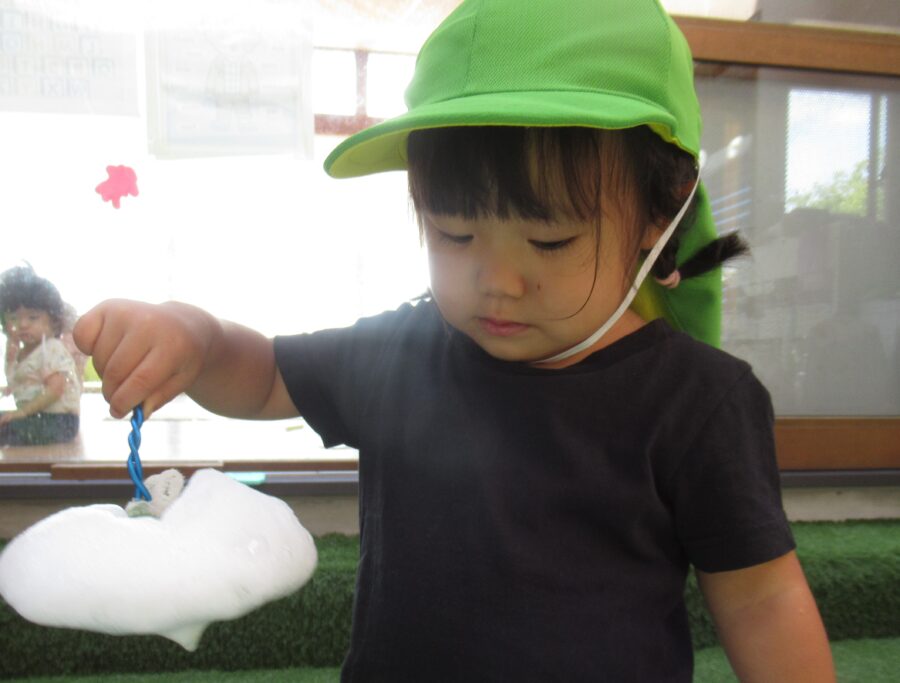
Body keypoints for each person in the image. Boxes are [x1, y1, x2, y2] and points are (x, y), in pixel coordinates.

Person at [74, 0, 835, 680]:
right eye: (454, 233)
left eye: (550, 241)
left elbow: (761, 598)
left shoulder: (699, 402)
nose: (496, 281)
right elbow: (269, 375)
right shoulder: (402, 353)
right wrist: (198, 337)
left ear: (656, 217)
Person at [0, 266, 81, 446]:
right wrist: (10, 359)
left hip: (59, 421)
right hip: (35, 416)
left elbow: (55, 389)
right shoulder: (22, 353)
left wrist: (23, 412)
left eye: (33, 318)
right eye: (13, 318)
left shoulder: (51, 348)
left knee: (7, 430)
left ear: (53, 322)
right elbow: (20, 381)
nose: (22, 325)